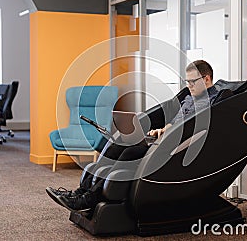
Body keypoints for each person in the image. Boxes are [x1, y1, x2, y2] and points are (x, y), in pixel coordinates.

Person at [46, 60, 218, 211]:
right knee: (116, 146)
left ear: (206, 79)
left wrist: (170, 133)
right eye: (186, 81)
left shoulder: (213, 103)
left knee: (130, 154)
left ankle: (89, 198)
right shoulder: (189, 97)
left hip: (177, 149)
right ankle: (80, 192)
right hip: (165, 138)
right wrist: (163, 129)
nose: (189, 85)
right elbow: (177, 120)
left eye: (192, 82)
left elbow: (194, 129)